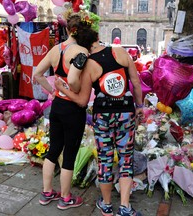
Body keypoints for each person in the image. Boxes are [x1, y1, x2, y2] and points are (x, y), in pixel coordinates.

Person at [55, 39, 144, 216]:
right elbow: (136, 82)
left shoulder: (89, 65)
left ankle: (107, 205)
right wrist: (140, 106)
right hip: (126, 112)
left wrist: (62, 88)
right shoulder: (120, 52)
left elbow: (82, 101)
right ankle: (125, 207)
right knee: (126, 158)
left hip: (103, 116)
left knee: (105, 159)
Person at [33, 10, 98, 210]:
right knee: (69, 153)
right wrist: (73, 88)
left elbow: (37, 73)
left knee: (53, 150)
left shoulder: (56, 49)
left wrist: (53, 90)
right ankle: (66, 198)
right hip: (72, 108)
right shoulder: (81, 51)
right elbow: (72, 80)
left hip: (57, 107)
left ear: (68, 29)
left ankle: (46, 193)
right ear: (81, 31)